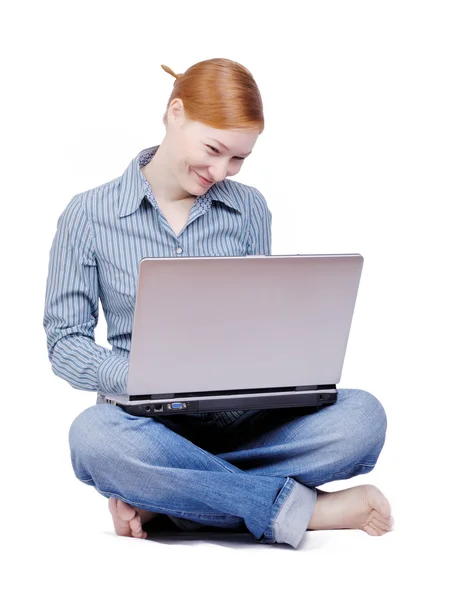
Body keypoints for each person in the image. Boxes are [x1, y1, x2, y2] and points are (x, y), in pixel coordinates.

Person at [43, 57, 393, 548]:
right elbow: (65, 342)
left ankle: (168, 497)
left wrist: (283, 370)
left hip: (243, 424)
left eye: (237, 159)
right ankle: (301, 509)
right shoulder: (88, 214)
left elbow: (260, 325)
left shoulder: (248, 208)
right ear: (175, 113)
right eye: (213, 149)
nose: (219, 170)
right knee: (94, 439)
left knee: (362, 418)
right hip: (147, 427)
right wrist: (141, 379)